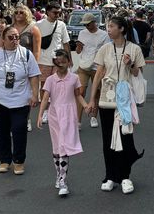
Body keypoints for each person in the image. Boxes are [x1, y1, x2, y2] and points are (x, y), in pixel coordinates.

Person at [85, 15, 145, 194]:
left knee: (125, 136)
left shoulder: (134, 49)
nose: (108, 29)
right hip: (106, 97)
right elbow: (98, 74)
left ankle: (125, 176)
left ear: (122, 29)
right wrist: (92, 99)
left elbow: (137, 73)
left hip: (125, 98)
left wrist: (130, 63)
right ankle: (110, 175)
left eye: (111, 26)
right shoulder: (105, 49)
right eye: (108, 26)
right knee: (107, 139)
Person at [0, 24, 41, 175]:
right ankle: (4, 160)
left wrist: (34, 94)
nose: (15, 40)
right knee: (2, 131)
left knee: (19, 130)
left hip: (21, 100)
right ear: (3, 40)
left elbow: (33, 76)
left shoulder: (26, 54)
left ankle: (19, 161)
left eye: (17, 37)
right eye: (11, 38)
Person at [37, 49, 88, 196]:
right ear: (54, 63)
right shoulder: (50, 80)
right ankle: (58, 175)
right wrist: (40, 115)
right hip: (55, 116)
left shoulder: (74, 78)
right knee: (57, 147)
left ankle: (63, 181)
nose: (61, 65)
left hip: (69, 114)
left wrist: (85, 106)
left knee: (64, 147)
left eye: (64, 62)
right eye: (58, 63)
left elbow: (78, 95)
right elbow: (45, 98)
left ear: (68, 62)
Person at [75, 12, 109, 127]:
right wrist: (78, 46)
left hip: (97, 67)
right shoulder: (82, 33)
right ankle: (78, 120)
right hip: (83, 66)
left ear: (94, 23)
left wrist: (104, 68)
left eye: (88, 24)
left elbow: (106, 52)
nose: (86, 27)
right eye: (85, 25)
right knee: (80, 92)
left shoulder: (103, 35)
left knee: (97, 93)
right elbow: (78, 51)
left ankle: (94, 116)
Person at [37, 3, 71, 83]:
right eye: (55, 12)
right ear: (48, 12)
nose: (58, 15)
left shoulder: (62, 25)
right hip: (43, 61)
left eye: (59, 13)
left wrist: (69, 60)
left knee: (57, 86)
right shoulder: (38, 25)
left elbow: (66, 43)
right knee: (44, 86)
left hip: (58, 61)